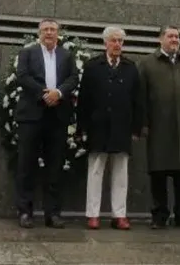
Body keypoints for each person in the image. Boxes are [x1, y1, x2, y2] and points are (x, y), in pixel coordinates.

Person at [14, 18, 79, 228]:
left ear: (58, 33)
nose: (49, 33)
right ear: (39, 33)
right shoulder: (27, 53)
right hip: (31, 115)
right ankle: (25, 212)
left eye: (52, 29)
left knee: (55, 166)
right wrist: (44, 94)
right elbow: (22, 76)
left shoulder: (67, 55)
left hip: (57, 116)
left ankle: (53, 213)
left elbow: (73, 78)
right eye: (45, 30)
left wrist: (58, 93)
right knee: (26, 164)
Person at [77, 26, 144, 230]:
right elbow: (84, 99)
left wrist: (136, 128)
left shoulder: (130, 67)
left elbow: (138, 100)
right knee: (95, 170)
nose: (117, 45)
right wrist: (82, 127)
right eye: (113, 40)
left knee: (121, 173)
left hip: (122, 127)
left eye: (120, 41)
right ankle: (93, 214)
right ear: (105, 42)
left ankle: (119, 215)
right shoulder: (92, 66)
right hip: (97, 127)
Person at [139, 26, 180, 229]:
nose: (174, 39)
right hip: (159, 128)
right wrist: (143, 123)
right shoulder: (147, 64)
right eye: (170, 36)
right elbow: (141, 97)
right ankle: (159, 215)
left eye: (177, 36)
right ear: (161, 39)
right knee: (158, 173)